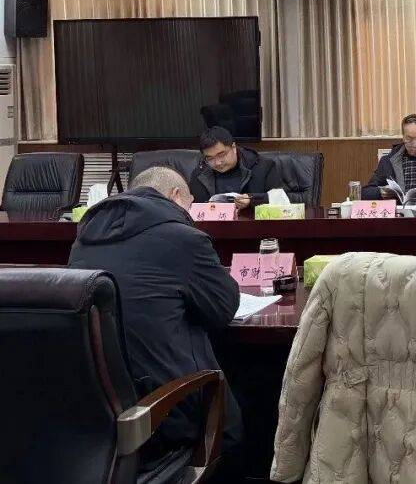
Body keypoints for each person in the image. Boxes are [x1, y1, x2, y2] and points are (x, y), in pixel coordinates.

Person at [68, 166, 243, 478]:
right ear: (176, 196)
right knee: (235, 425)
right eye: (190, 206)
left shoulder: (84, 239)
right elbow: (223, 308)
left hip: (98, 414)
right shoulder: (184, 238)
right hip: (168, 416)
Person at [190, 125, 288, 209]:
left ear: (233, 147)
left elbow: (282, 199)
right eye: (210, 158)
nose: (218, 163)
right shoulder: (200, 174)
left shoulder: (263, 166)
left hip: (253, 223)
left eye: (221, 155)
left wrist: (252, 200)